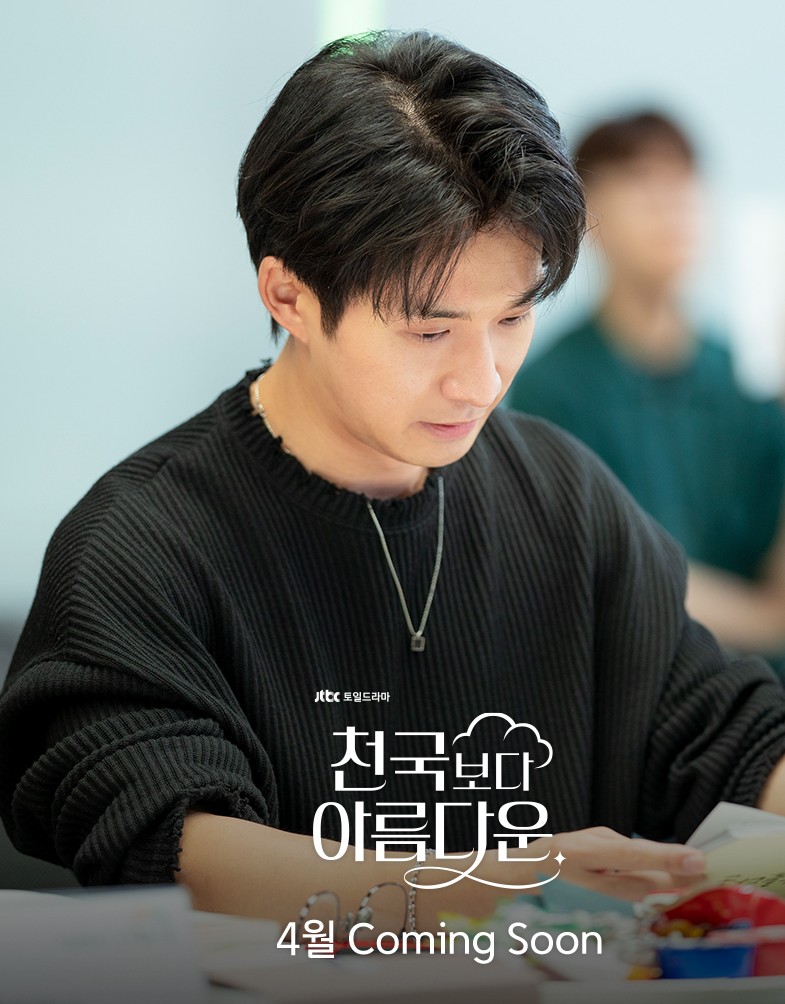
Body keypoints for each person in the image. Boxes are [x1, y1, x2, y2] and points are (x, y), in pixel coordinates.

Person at [1, 33, 784, 939]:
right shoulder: (142, 545)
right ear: (289, 296)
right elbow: (182, 851)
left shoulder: (566, 501)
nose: (480, 380)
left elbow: (723, 733)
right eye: (428, 332)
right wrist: (506, 887)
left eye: (513, 317)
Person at [507, 111, 785, 664]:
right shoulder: (553, 387)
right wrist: (768, 621)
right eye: (641, 182)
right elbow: (604, 573)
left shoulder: (751, 379)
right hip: (641, 675)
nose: (670, 206)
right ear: (588, 213)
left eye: (683, 182)